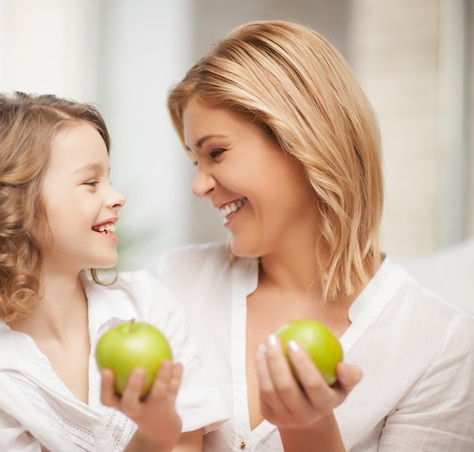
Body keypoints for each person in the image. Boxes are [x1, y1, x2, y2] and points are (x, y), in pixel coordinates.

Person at [146, 20, 474, 451]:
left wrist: (310, 430)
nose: (200, 185)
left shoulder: (440, 344)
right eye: (196, 161)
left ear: (301, 138)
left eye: (217, 153)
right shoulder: (174, 282)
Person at [0, 91, 227, 451]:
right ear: (12, 206)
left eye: (108, 178)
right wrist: (153, 436)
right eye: (90, 182)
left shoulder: (147, 304)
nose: (117, 196)